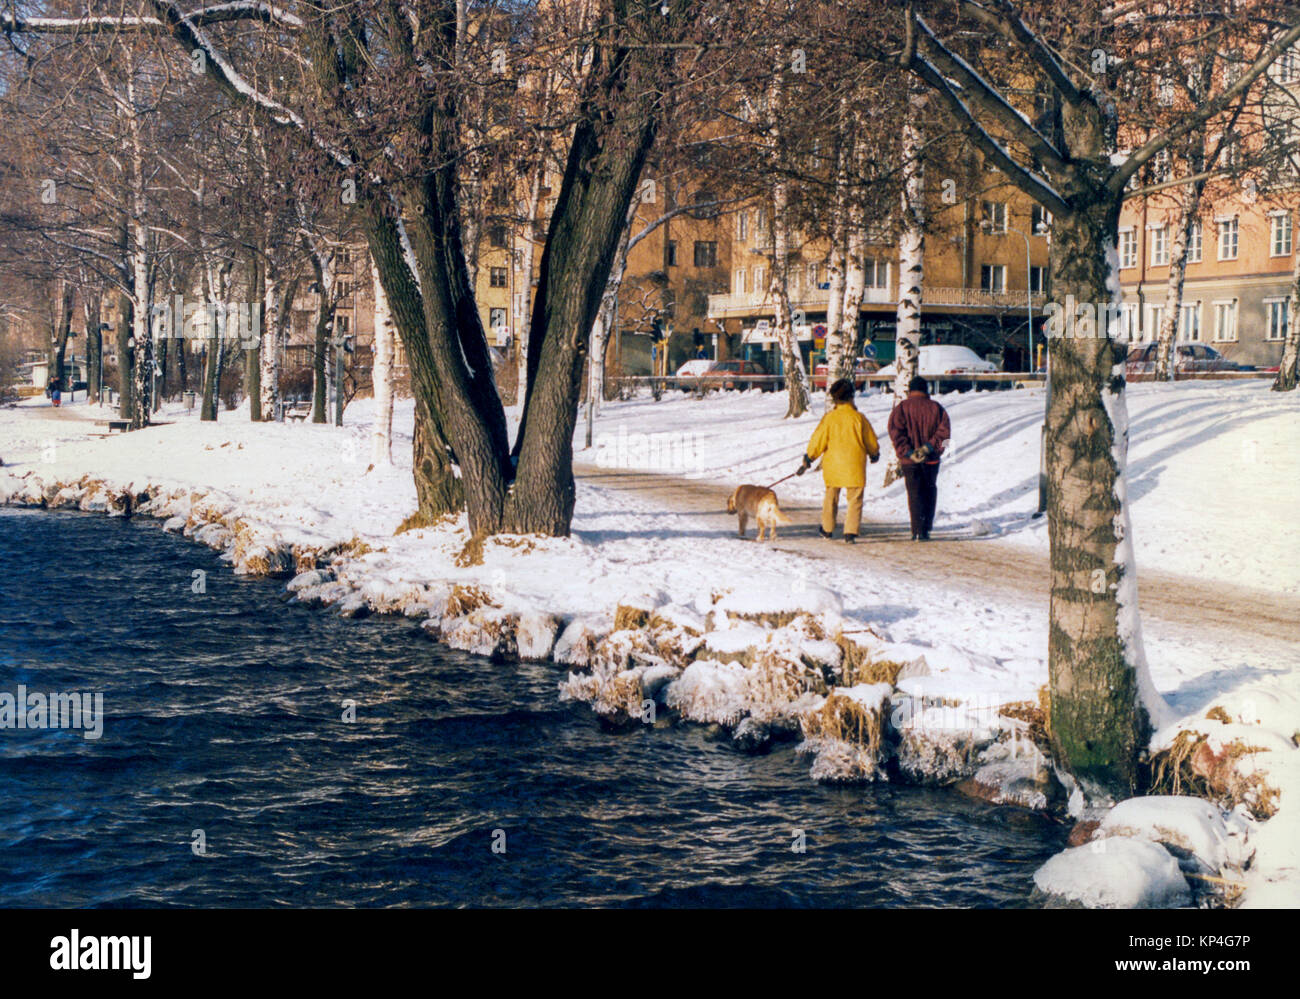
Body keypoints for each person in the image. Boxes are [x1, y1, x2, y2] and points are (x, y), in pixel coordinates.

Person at [797, 377, 880, 543]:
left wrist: (809, 457)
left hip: (833, 465)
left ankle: (827, 529)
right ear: (852, 397)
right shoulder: (859, 418)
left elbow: (818, 440)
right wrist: (874, 453)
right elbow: (870, 440)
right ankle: (850, 532)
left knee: (831, 497)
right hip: (854, 464)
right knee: (855, 499)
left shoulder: (830, 418)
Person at [888, 376, 951, 541]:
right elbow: (945, 435)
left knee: (914, 493)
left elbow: (895, 433)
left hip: (910, 462)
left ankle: (916, 529)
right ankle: (926, 529)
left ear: (910, 390)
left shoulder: (901, 409)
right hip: (931, 460)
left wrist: (908, 452)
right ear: (926, 390)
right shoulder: (937, 409)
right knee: (930, 491)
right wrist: (931, 448)